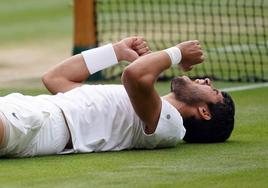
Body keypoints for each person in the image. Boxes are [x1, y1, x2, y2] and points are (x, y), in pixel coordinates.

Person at [0, 36, 235, 158]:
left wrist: (177, 53)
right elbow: (55, 78)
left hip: (38, 124)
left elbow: (135, 75)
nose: (206, 80)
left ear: (204, 112)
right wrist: (115, 52)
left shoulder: (171, 126)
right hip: (30, 111)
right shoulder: (137, 102)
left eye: (213, 91)